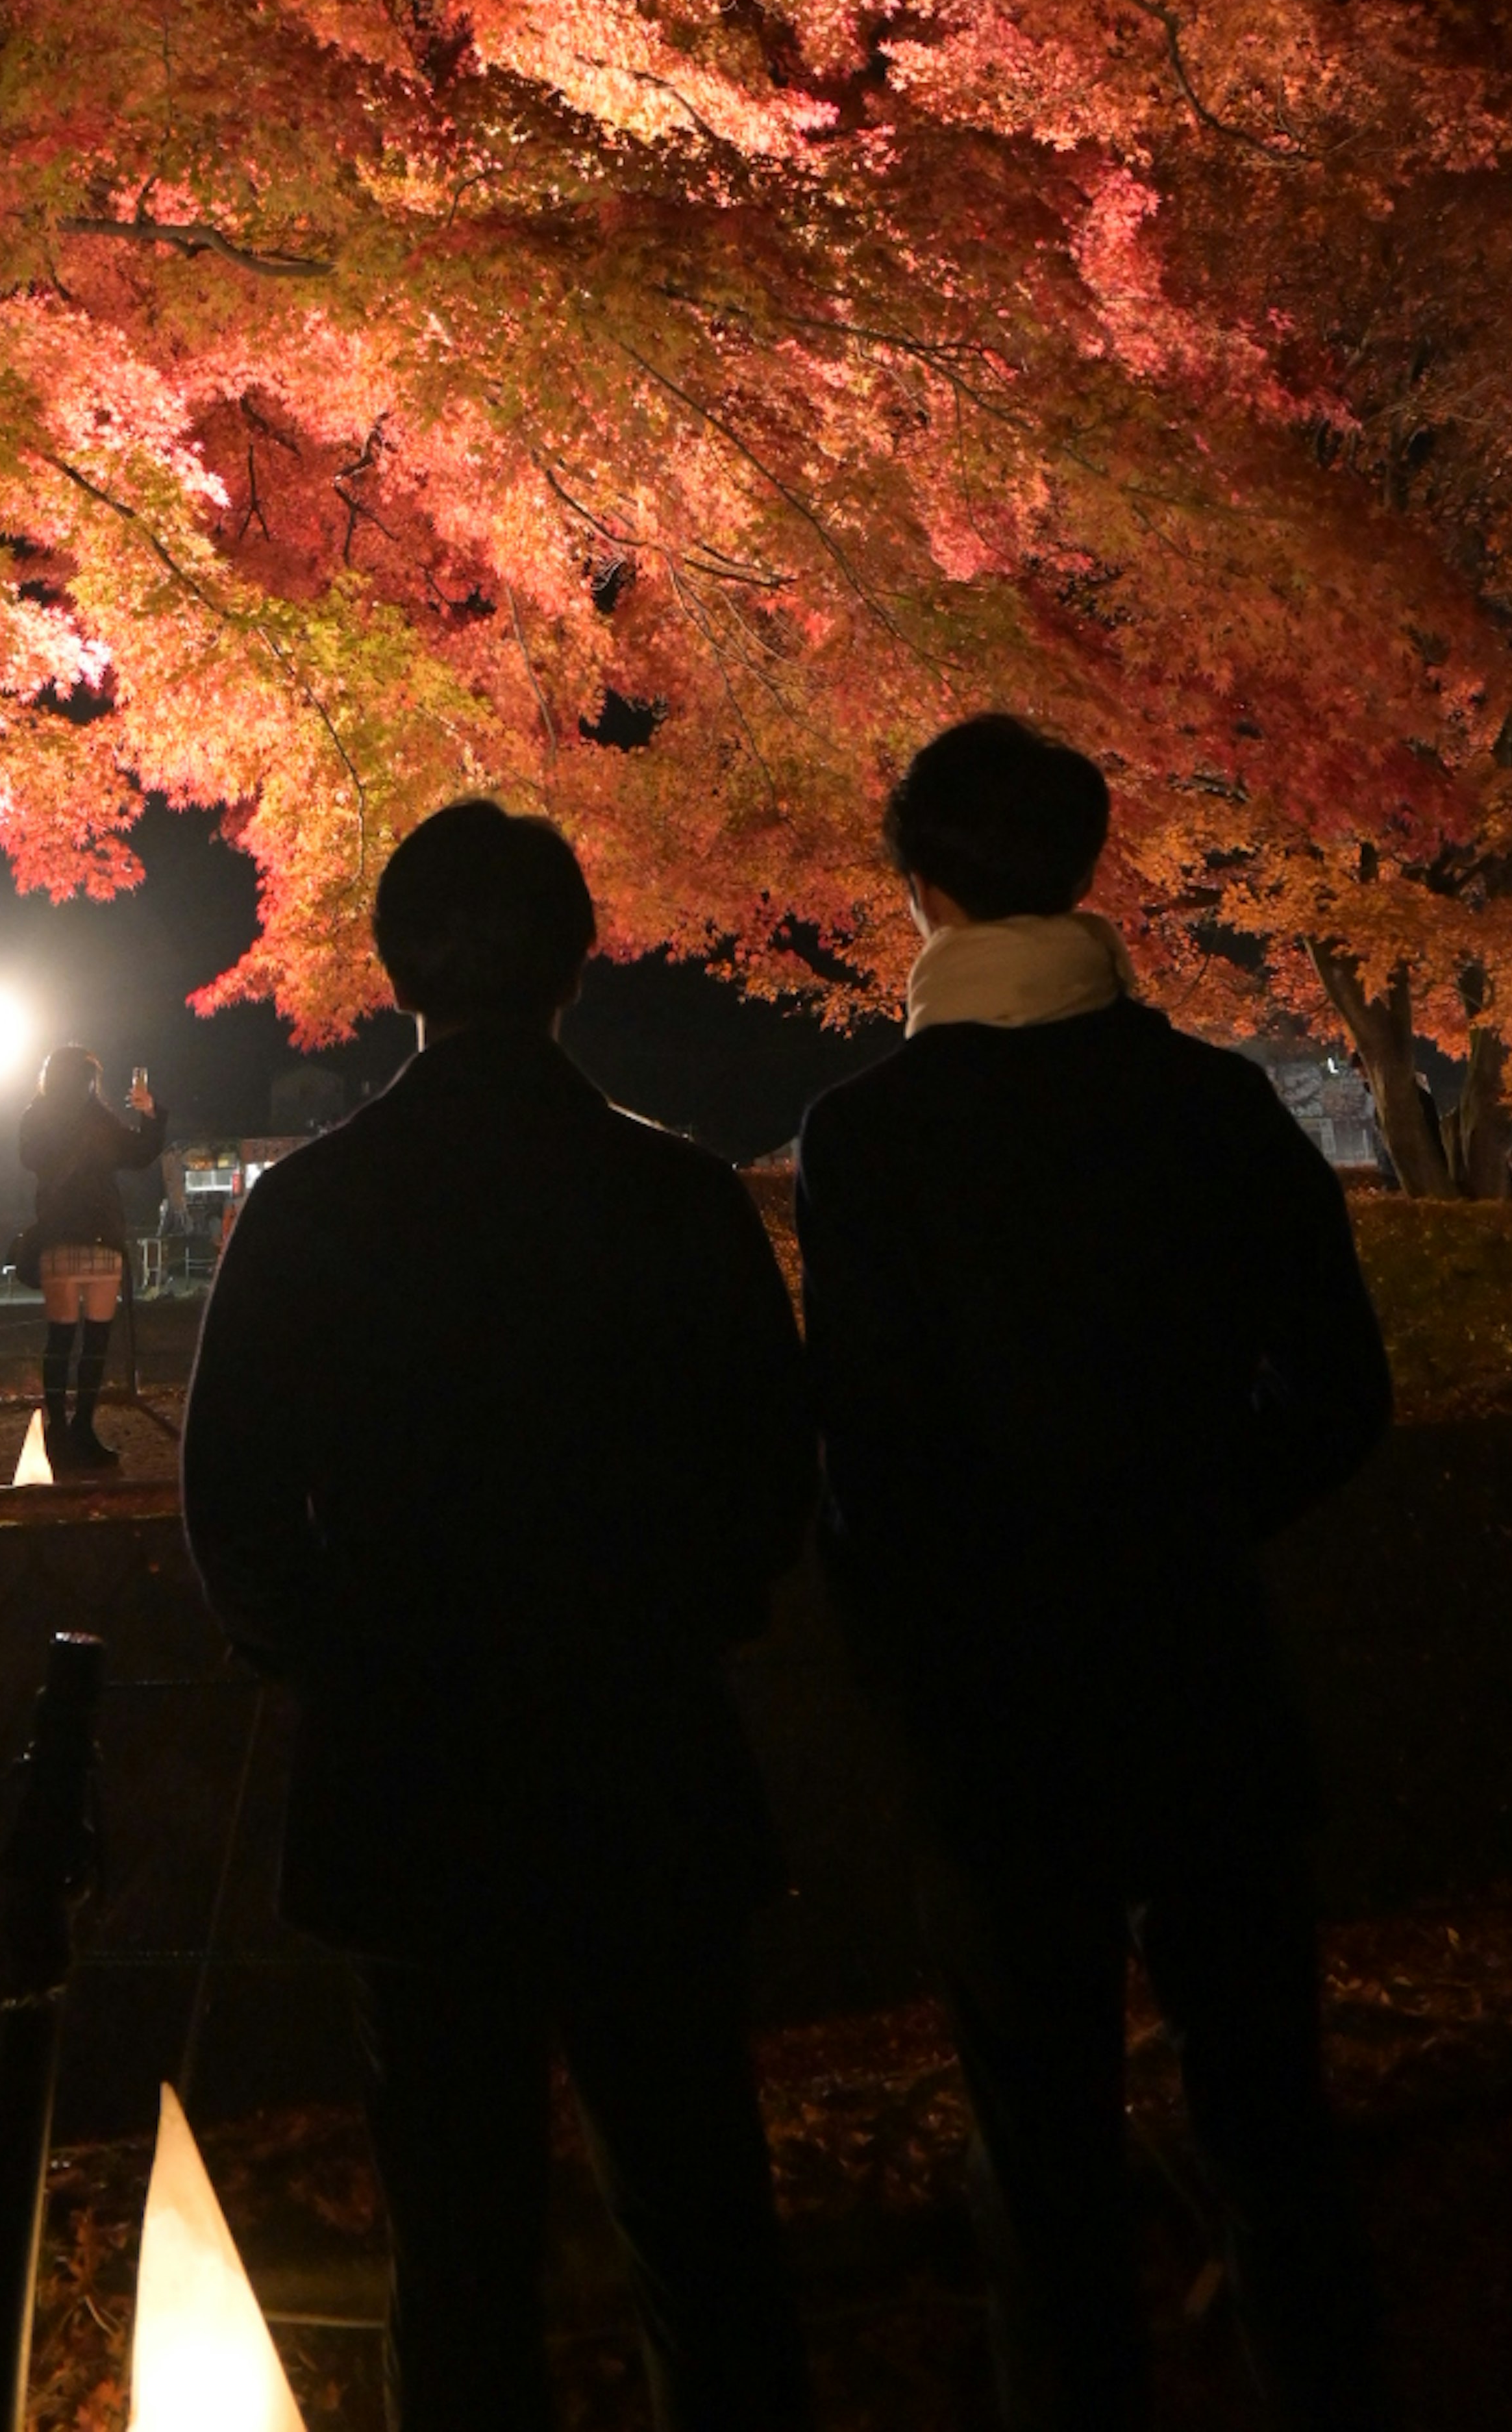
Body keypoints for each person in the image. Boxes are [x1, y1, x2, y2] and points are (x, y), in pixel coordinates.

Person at [181, 798, 816, 2432]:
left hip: (412, 1781)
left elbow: (235, 1505)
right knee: (701, 2221)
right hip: (646, 1759)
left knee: (458, 2255)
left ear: (394, 971)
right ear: (575, 966)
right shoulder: (675, 1197)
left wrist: (335, 1658)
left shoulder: (312, 1205)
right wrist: (692, 1614)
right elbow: (772, 1470)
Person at [797, 713, 1392, 2432]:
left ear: (920, 887)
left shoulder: (873, 1135)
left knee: (1039, 2148)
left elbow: (874, 1450)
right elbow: (1340, 1394)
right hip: (1203, 1663)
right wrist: (1195, 1516)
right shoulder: (1213, 1106)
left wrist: (912, 1646)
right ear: (1085, 863)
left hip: (996, 1711)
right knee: (1272, 2121)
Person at [15, 1047, 167, 1469]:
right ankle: (79, 1427)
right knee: (92, 1341)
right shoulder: (94, 1118)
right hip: (99, 1236)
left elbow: (29, 1159)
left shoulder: (39, 1114)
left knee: (63, 1340)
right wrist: (150, 1114)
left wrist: (149, 1112)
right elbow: (139, 1154)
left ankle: (63, 1429)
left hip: (64, 1236)